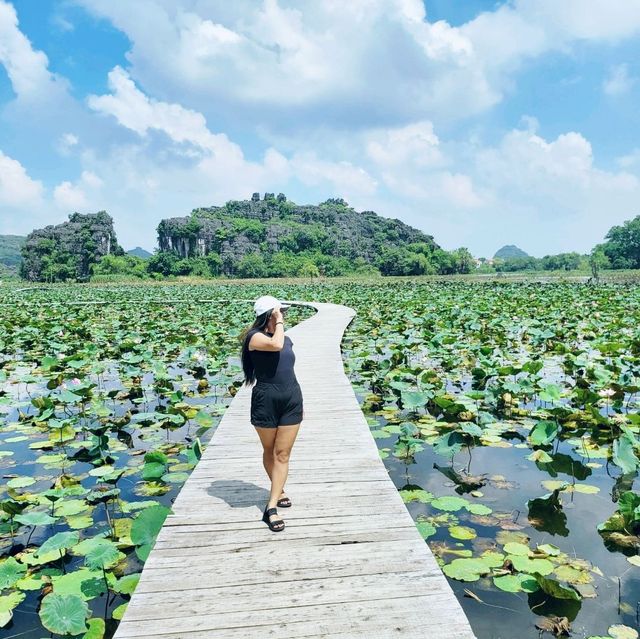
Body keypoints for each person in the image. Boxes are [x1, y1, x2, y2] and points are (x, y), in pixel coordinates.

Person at [239, 295, 304, 532]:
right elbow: (275, 345)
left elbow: (285, 357)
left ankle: (271, 506)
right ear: (269, 314)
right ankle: (279, 490)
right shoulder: (254, 338)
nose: (283, 315)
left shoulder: (285, 338)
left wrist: (279, 325)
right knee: (270, 450)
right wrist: (278, 321)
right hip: (266, 398)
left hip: (291, 397)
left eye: (283, 312)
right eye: (280, 311)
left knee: (283, 454)